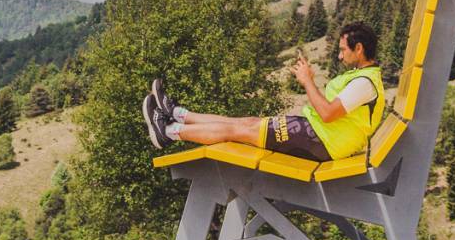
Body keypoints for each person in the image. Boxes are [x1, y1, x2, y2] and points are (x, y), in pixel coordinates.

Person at [143, 21, 385, 162]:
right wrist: (309, 80)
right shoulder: (361, 77)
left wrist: (307, 81)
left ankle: (169, 132)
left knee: (238, 131)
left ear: (359, 48)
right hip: (318, 135)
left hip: (322, 142)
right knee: (244, 123)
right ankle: (177, 113)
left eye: (343, 50)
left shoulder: (365, 83)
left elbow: (328, 114)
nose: (340, 56)